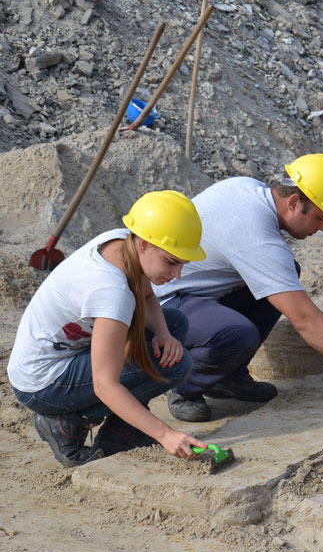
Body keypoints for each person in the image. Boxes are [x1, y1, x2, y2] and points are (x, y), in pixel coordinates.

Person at [153, 153, 323, 422]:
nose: (322, 227)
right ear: (294, 202)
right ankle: (183, 383)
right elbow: (305, 320)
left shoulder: (248, 188)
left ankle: (225, 377)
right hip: (163, 304)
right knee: (239, 333)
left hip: (195, 292)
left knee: (285, 275)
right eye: (320, 217)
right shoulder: (256, 235)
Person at [7, 190, 209, 467]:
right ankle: (67, 420)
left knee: (174, 324)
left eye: (182, 264)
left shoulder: (120, 241)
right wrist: (166, 435)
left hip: (61, 355)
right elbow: (105, 385)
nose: (176, 275)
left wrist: (162, 334)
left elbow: (147, 296)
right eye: (171, 262)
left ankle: (120, 428)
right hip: (42, 383)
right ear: (143, 245)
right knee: (175, 365)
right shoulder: (111, 292)